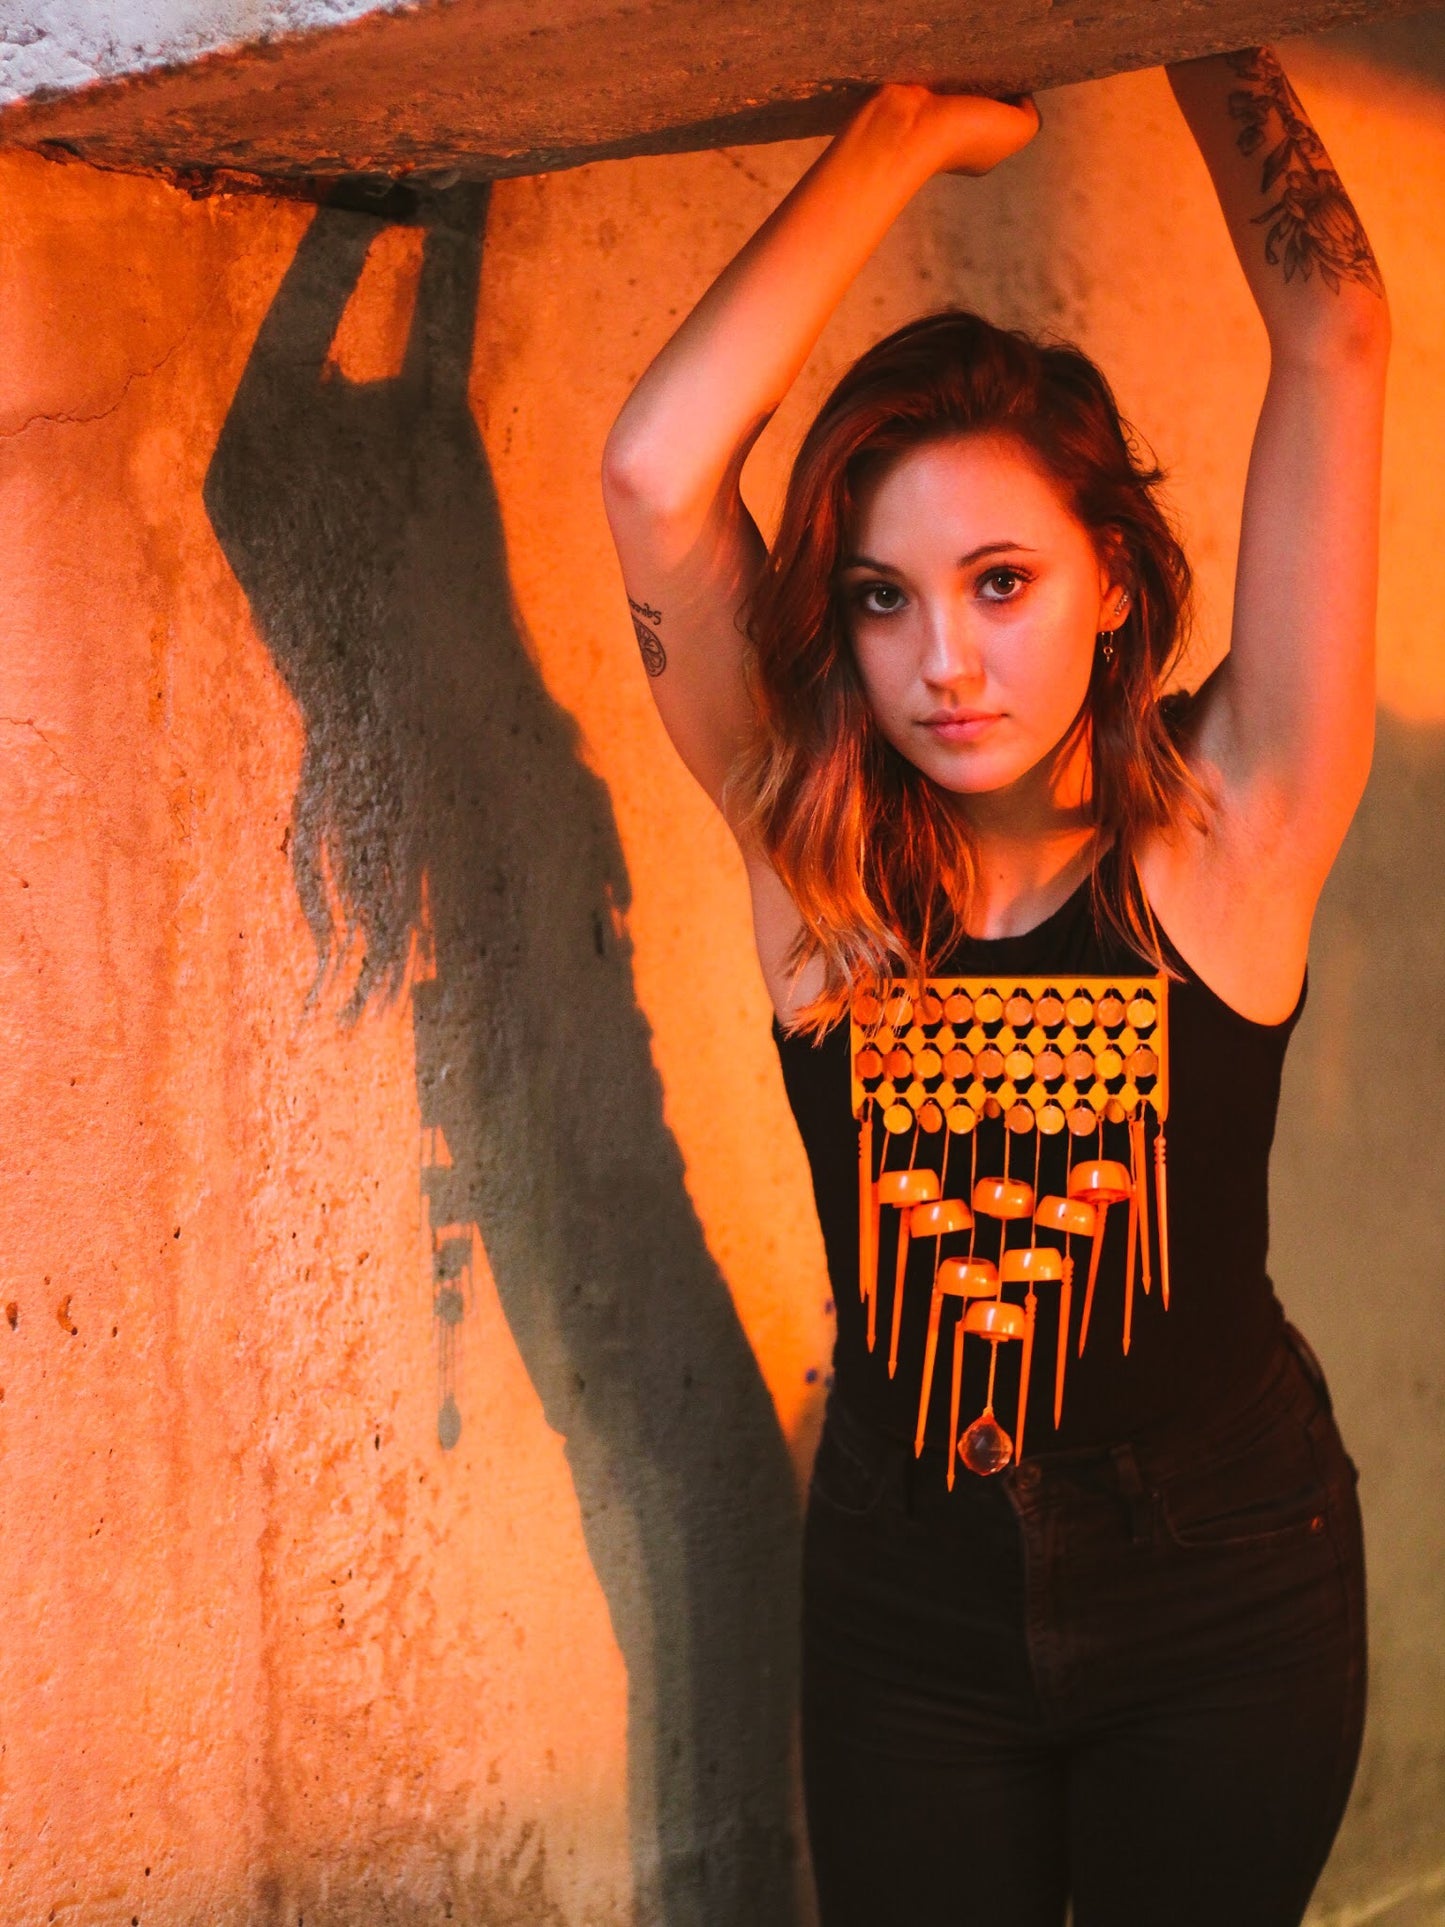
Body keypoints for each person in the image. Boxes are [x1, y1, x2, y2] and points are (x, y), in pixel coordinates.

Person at [600, 49, 1385, 1927]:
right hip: (908, 1597)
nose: (941, 661)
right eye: (881, 597)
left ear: (1111, 583)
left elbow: (1337, 331)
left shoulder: (1225, 832)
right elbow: (650, 472)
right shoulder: (818, 861)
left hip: (1221, 1582)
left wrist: (1191, 25)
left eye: (1001, 582)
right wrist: (890, 140)